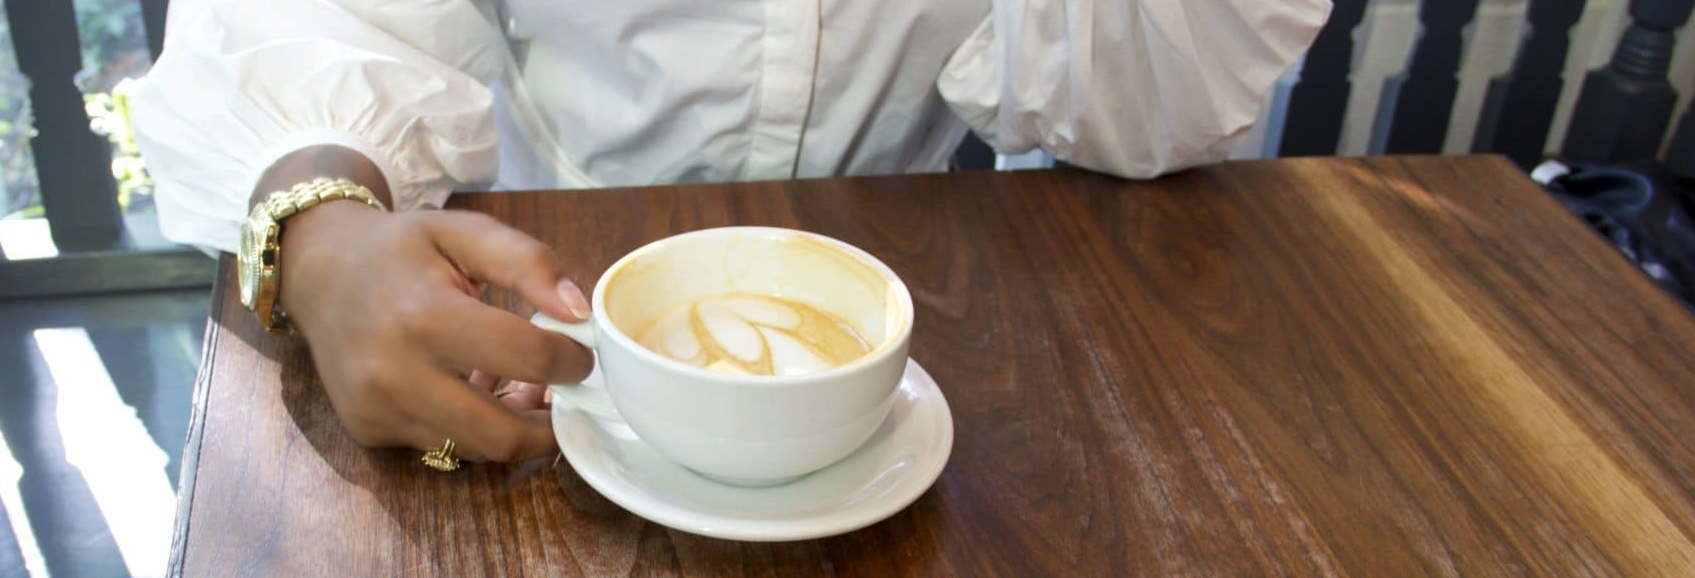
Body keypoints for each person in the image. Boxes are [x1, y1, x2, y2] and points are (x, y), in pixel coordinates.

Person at [130, 0, 1329, 467]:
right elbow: (314, 20)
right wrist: (324, 218)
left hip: (931, 321)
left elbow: (1150, 100)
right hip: (539, 326)